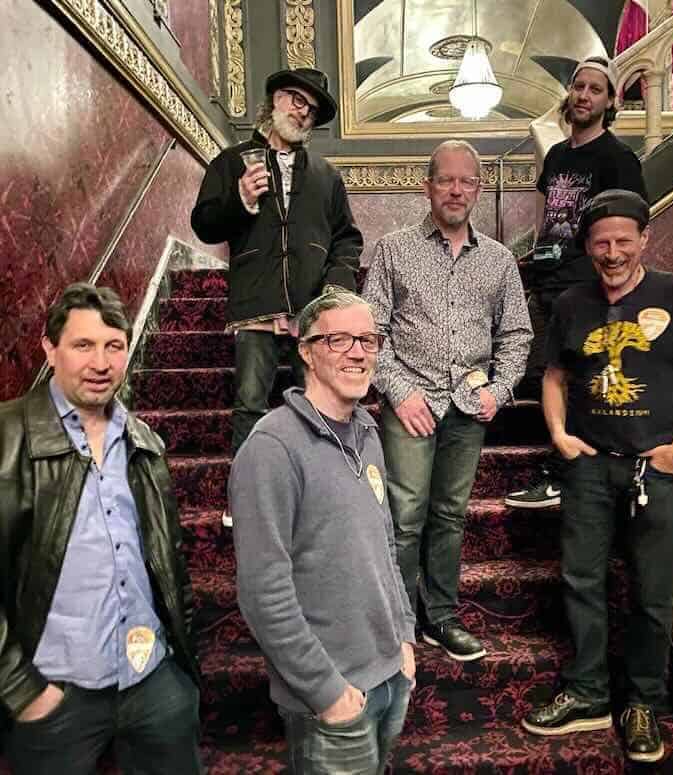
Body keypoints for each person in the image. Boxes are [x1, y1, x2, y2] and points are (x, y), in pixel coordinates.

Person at [520, 190, 673, 763]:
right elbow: (553, 377)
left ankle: (643, 702)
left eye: (623, 240)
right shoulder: (571, 303)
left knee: (651, 593)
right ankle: (588, 692)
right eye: (601, 243)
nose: (612, 252)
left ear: (644, 239)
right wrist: (561, 437)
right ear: (587, 246)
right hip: (590, 469)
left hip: (656, 470)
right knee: (581, 581)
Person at [0, 283, 202, 775]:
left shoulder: (144, 440)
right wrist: (19, 689)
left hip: (153, 683)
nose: (101, 363)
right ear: (50, 348)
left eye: (114, 346)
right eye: (83, 345)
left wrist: (179, 669)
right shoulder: (8, 438)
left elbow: (168, 557)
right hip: (54, 695)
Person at [230, 288, 416, 774]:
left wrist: (406, 639)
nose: (358, 352)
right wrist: (327, 693)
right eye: (338, 340)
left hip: (391, 674)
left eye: (368, 340)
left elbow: (385, 548)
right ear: (306, 352)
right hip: (333, 696)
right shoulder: (271, 447)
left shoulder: (368, 433)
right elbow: (263, 591)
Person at [363, 140, 532, 662]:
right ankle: (395, 621)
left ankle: (440, 617)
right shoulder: (394, 249)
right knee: (405, 514)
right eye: (446, 180)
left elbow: (518, 334)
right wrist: (398, 391)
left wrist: (499, 390)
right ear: (427, 185)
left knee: (451, 515)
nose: (456, 190)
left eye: (467, 181)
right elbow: (371, 332)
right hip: (410, 402)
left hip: (468, 407)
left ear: (478, 190)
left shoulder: (500, 260)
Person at [191, 67, 363, 526]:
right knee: (250, 404)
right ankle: (247, 498)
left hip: (311, 315)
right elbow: (204, 223)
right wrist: (240, 199)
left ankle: (314, 495)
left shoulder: (326, 176)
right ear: (273, 99)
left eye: (310, 108)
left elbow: (347, 238)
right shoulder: (232, 162)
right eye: (294, 99)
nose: (301, 111)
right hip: (255, 308)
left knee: (314, 405)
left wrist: (335, 290)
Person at [505, 56, 648, 510]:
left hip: (588, 285)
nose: (583, 95)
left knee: (578, 379)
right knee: (538, 377)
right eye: (578, 87)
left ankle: (564, 474)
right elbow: (547, 211)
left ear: (610, 102)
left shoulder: (619, 158)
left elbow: (627, 227)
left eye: (594, 90)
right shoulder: (558, 156)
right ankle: (563, 465)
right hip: (547, 279)